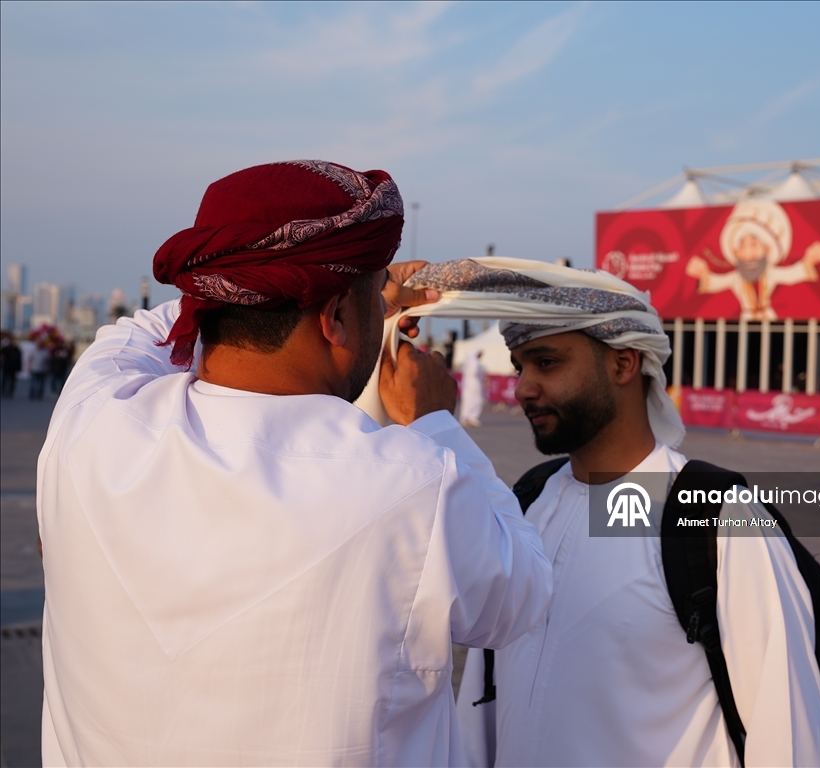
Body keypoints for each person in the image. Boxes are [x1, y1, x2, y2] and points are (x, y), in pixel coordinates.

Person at [36, 161, 552, 766]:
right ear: (334, 317)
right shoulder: (413, 484)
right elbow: (525, 592)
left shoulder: (92, 423)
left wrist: (359, 291)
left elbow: (145, 330)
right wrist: (438, 423)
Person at [444, 262, 820, 766]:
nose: (523, 389)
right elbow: (480, 705)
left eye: (547, 362)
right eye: (521, 367)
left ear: (624, 364)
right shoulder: (528, 504)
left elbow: (788, 735)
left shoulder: (720, 517)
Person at [684, 198, 820, 320]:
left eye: (754, 245)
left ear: (767, 249)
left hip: (770, 317)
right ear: (736, 252)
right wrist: (702, 274)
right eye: (743, 246)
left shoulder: (770, 273)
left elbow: (791, 274)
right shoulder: (737, 277)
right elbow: (717, 282)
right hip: (745, 319)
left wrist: (810, 260)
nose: (749, 253)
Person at [459, 349, 487, 427]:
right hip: (475, 383)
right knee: (477, 400)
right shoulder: (474, 362)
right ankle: (472, 416)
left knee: (467, 400)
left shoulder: (468, 362)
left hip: (467, 383)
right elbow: (474, 373)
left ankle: (465, 417)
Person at [0, 332, 22, 397]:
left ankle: (10, 392)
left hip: (13, 367)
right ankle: (3, 391)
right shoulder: (5, 349)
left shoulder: (16, 349)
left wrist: (18, 367)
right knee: (4, 380)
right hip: (6, 366)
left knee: (12, 380)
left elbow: (18, 358)